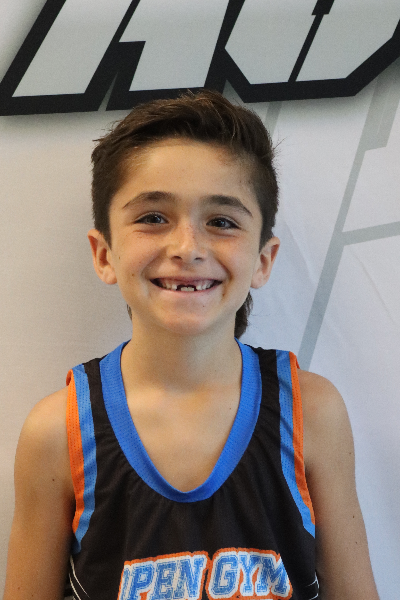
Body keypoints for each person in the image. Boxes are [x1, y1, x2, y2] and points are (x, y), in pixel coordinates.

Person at [3, 90, 379, 600]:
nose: (187, 248)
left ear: (263, 260)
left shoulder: (312, 412)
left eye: (222, 222)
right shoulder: (57, 432)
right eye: (153, 217)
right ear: (104, 253)